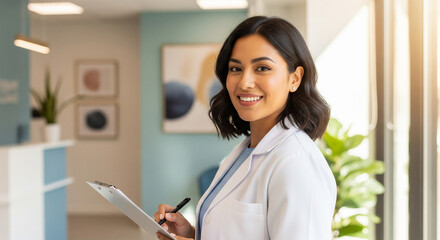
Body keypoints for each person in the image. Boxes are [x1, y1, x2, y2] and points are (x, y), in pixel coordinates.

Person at [155, 16, 337, 240]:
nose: (244, 82)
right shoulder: (246, 151)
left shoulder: (297, 163)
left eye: (262, 67)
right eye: (236, 68)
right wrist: (193, 234)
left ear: (295, 78)